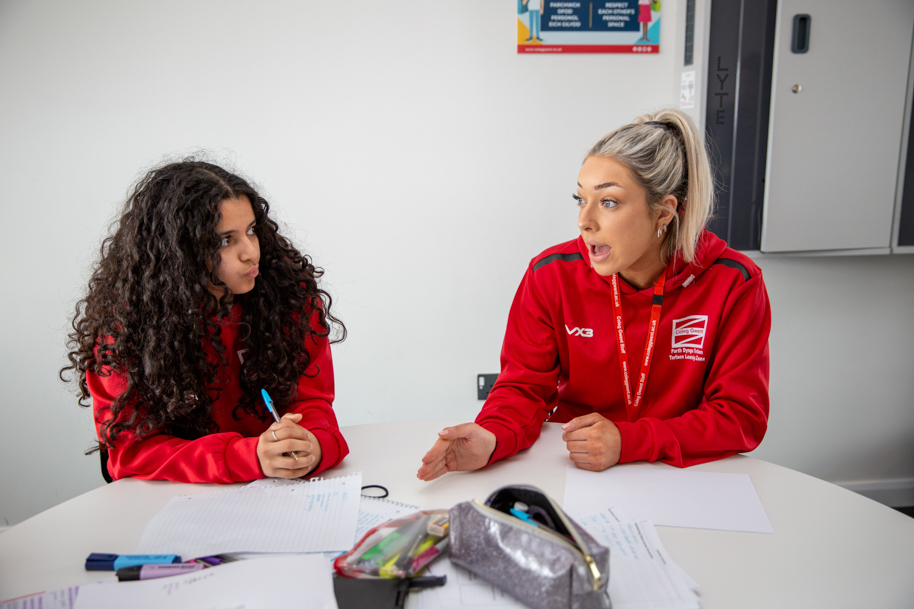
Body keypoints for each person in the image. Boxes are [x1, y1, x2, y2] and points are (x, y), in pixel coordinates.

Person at [418, 109, 770, 481]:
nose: (584, 220)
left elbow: (739, 417)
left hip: (683, 474)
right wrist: (493, 434)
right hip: (575, 467)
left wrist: (627, 440)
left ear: (663, 213)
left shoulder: (734, 282)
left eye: (609, 202)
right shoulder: (551, 274)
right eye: (580, 199)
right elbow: (524, 387)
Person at [62, 160, 349, 483]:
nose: (251, 252)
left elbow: (312, 401)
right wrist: (248, 456)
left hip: (279, 493)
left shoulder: (288, 296)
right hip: (181, 505)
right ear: (179, 252)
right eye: (225, 240)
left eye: (251, 231)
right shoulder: (128, 330)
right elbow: (131, 454)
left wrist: (314, 443)